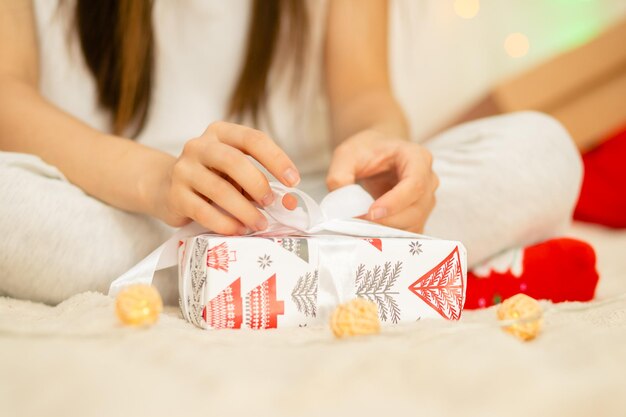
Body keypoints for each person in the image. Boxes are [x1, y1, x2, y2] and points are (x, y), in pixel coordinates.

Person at [0, 0, 598, 306]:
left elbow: (365, 93)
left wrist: (383, 149)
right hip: (124, 206)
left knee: (544, 150)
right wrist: (155, 181)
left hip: (318, 203)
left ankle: (247, 275)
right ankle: (379, 272)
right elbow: (9, 99)